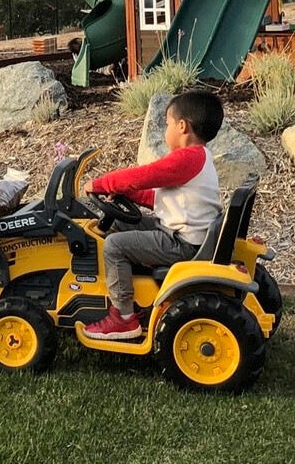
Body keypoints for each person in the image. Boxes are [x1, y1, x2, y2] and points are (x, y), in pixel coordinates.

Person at [81, 90, 224, 340]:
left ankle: (123, 317)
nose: (165, 129)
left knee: (114, 246)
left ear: (182, 126)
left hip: (182, 244)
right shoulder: (199, 157)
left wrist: (102, 183)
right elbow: (161, 197)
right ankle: (131, 292)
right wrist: (130, 195)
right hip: (181, 233)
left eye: (167, 123)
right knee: (117, 226)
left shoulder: (186, 158)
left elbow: (142, 176)